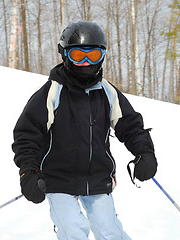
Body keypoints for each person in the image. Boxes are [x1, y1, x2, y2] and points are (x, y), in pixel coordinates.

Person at [12, 20, 158, 240]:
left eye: (94, 56)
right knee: (73, 230)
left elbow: (130, 126)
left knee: (110, 232)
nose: (86, 63)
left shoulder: (107, 92)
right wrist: (28, 171)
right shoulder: (52, 92)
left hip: (97, 177)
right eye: (79, 56)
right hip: (57, 179)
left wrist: (145, 152)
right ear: (65, 55)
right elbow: (27, 135)